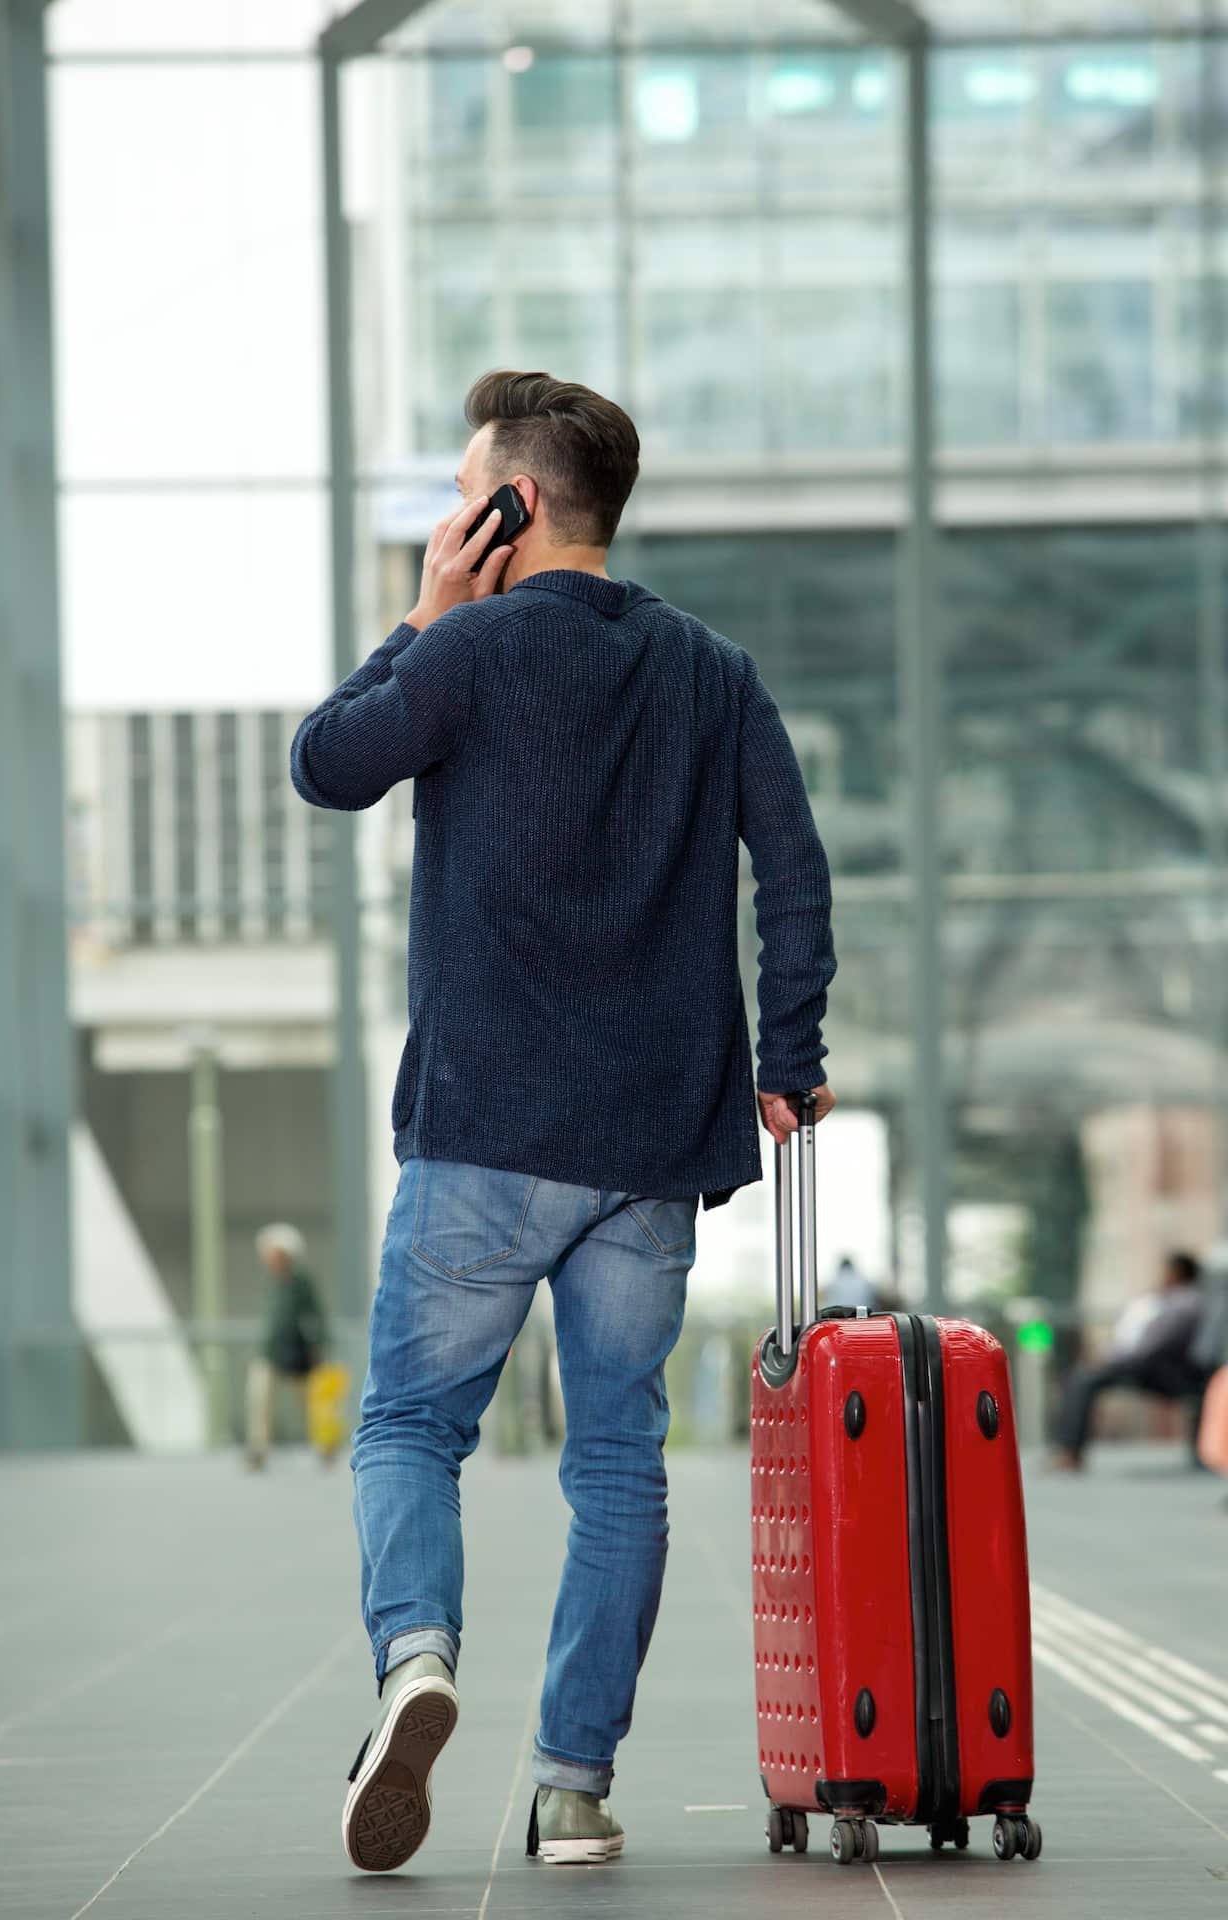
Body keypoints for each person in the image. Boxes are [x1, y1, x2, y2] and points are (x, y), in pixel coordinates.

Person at [291, 370, 836, 1873]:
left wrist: (422, 618)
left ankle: (416, 1660)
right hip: (653, 1150)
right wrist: (787, 1052)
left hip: (486, 1130)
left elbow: (325, 765)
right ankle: (573, 1788)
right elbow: (793, 878)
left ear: (508, 506)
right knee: (618, 1465)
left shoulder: (470, 653)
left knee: (410, 1422)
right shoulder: (712, 671)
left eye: (468, 488)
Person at [1049, 1250, 1208, 1470]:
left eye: (1166, 1270)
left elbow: (1156, 1346)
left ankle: (1070, 1453)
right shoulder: (1162, 1299)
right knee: (1080, 1377)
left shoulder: (1187, 1303)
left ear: (1178, 1272)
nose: (1161, 1274)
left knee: (1082, 1380)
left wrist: (1114, 1361)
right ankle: (1068, 1451)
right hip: (1141, 1365)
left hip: (1159, 1370)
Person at [244, 1223, 328, 1470]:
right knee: (260, 1400)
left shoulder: (301, 1283)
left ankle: (323, 1445)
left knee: (308, 1404)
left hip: (298, 1353)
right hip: (270, 1352)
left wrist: (317, 1346)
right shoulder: (271, 1282)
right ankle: (259, 1448)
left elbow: (315, 1316)